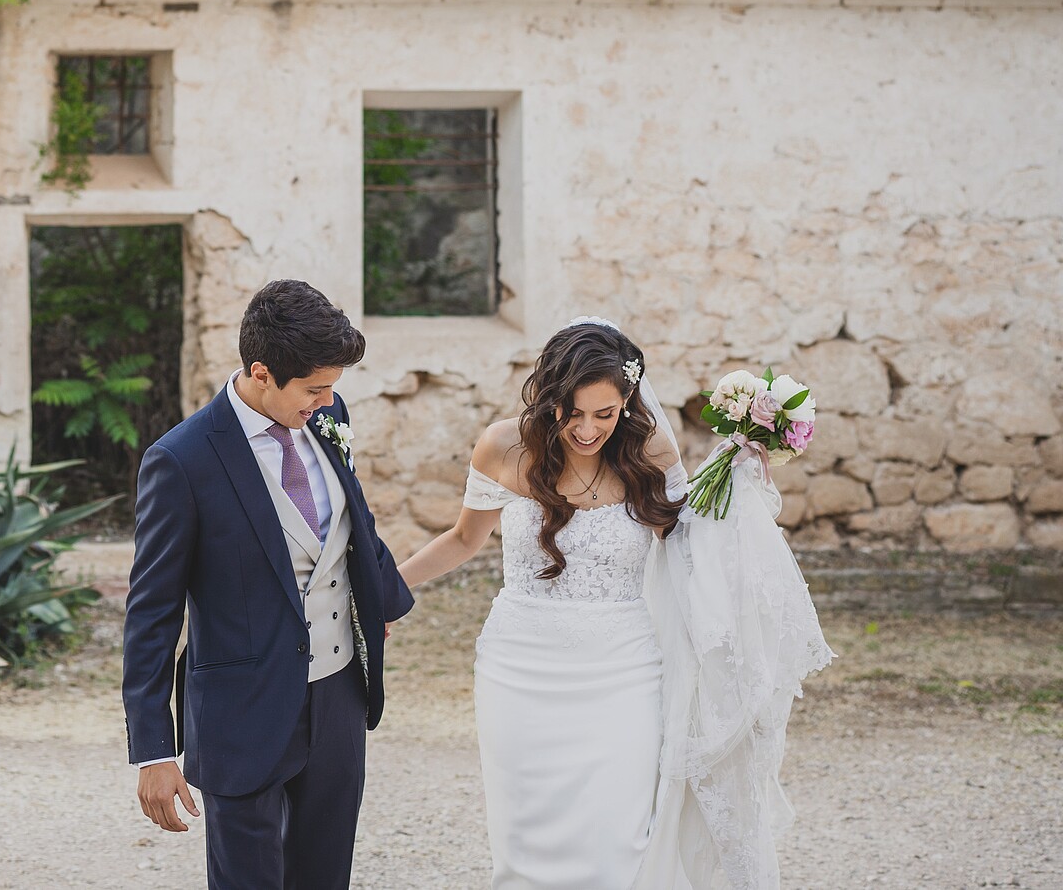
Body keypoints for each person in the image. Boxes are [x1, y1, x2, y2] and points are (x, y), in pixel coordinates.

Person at [399, 318, 831, 890]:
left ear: (628, 401)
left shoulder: (649, 450)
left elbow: (690, 545)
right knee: (524, 843)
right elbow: (460, 541)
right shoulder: (504, 446)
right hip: (518, 668)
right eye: (572, 412)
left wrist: (735, 470)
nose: (587, 429)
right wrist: (382, 596)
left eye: (605, 414)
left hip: (622, 670)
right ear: (549, 396)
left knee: (616, 841)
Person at [122, 279, 414, 890]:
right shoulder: (182, 460)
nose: (327, 399)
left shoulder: (328, 416)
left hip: (337, 698)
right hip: (240, 711)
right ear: (261, 372)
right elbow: (152, 613)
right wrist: (153, 750)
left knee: (324, 878)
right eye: (313, 388)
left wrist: (380, 597)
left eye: (331, 386)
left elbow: (354, 519)